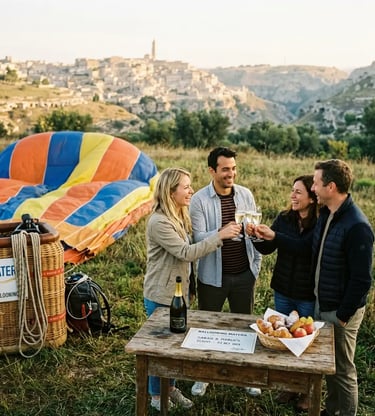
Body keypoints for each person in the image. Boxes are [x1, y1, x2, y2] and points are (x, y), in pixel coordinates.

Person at [256, 159, 374, 416]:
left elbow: (362, 279)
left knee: (343, 370)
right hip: (323, 305)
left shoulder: (357, 226)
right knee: (328, 366)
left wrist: (343, 315)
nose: (314, 188)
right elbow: (304, 249)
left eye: (317, 183)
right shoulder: (329, 217)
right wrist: (271, 236)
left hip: (340, 311)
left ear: (330, 187)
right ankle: (330, 411)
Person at [143, 167, 242, 412]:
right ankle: (157, 394)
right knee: (160, 349)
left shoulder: (179, 214)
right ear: (170, 191)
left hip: (179, 292)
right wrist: (221, 235)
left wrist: (192, 287)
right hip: (161, 295)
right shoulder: (159, 222)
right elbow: (187, 253)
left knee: (175, 344)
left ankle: (172, 387)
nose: (191, 191)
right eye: (186, 187)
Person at [189, 147, 262, 397]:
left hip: (244, 274)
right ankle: (204, 376)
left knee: (245, 327)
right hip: (212, 277)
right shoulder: (199, 200)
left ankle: (245, 377)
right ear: (212, 171)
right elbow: (197, 237)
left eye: (233, 168)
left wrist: (255, 268)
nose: (231, 174)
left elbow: (254, 231)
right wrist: (221, 233)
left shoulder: (245, 195)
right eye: (225, 169)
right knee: (208, 327)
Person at [249, 175, 318, 411]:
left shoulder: (320, 222)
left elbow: (305, 248)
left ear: (312, 197)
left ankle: (307, 392)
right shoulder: (285, 218)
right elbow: (269, 248)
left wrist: (276, 236)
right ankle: (289, 387)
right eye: (292, 191)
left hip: (307, 292)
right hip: (284, 289)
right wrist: (254, 236)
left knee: (304, 342)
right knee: (282, 338)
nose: (293, 195)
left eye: (299, 192)